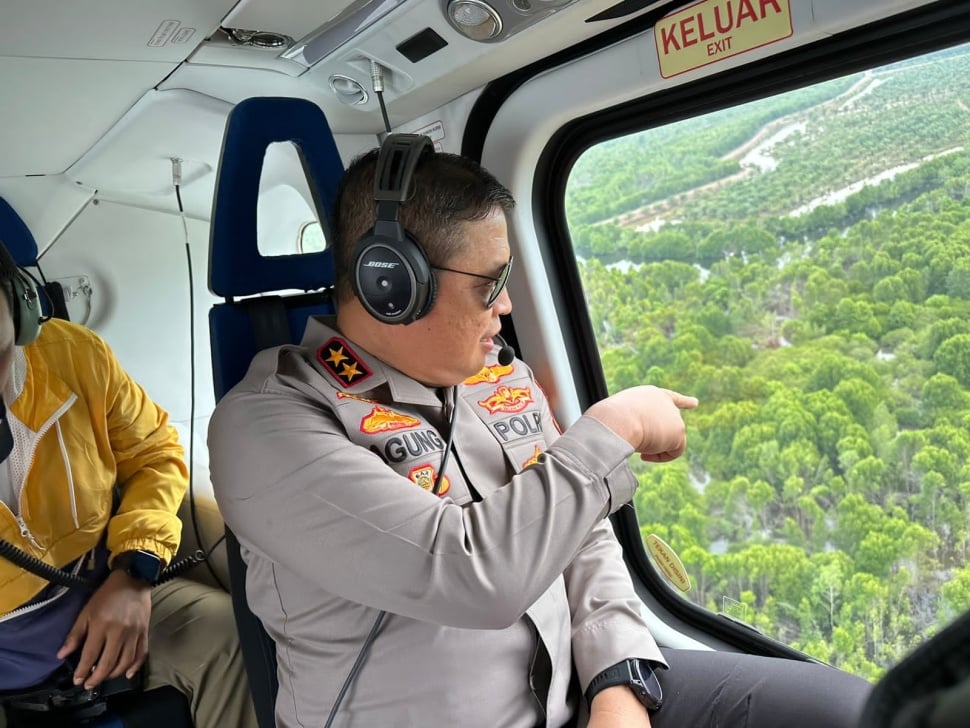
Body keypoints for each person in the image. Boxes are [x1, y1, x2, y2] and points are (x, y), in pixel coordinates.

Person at [208, 135, 873, 727]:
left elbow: (579, 528)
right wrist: (613, 427)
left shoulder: (497, 374)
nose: (507, 305)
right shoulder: (267, 428)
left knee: (848, 711)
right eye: (489, 283)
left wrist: (619, 678)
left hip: (580, 693)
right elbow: (469, 573)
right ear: (392, 287)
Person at [0, 242, 257, 728]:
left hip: (103, 579)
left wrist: (133, 571)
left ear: (22, 311)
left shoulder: (75, 355)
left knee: (233, 640)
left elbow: (154, 455)